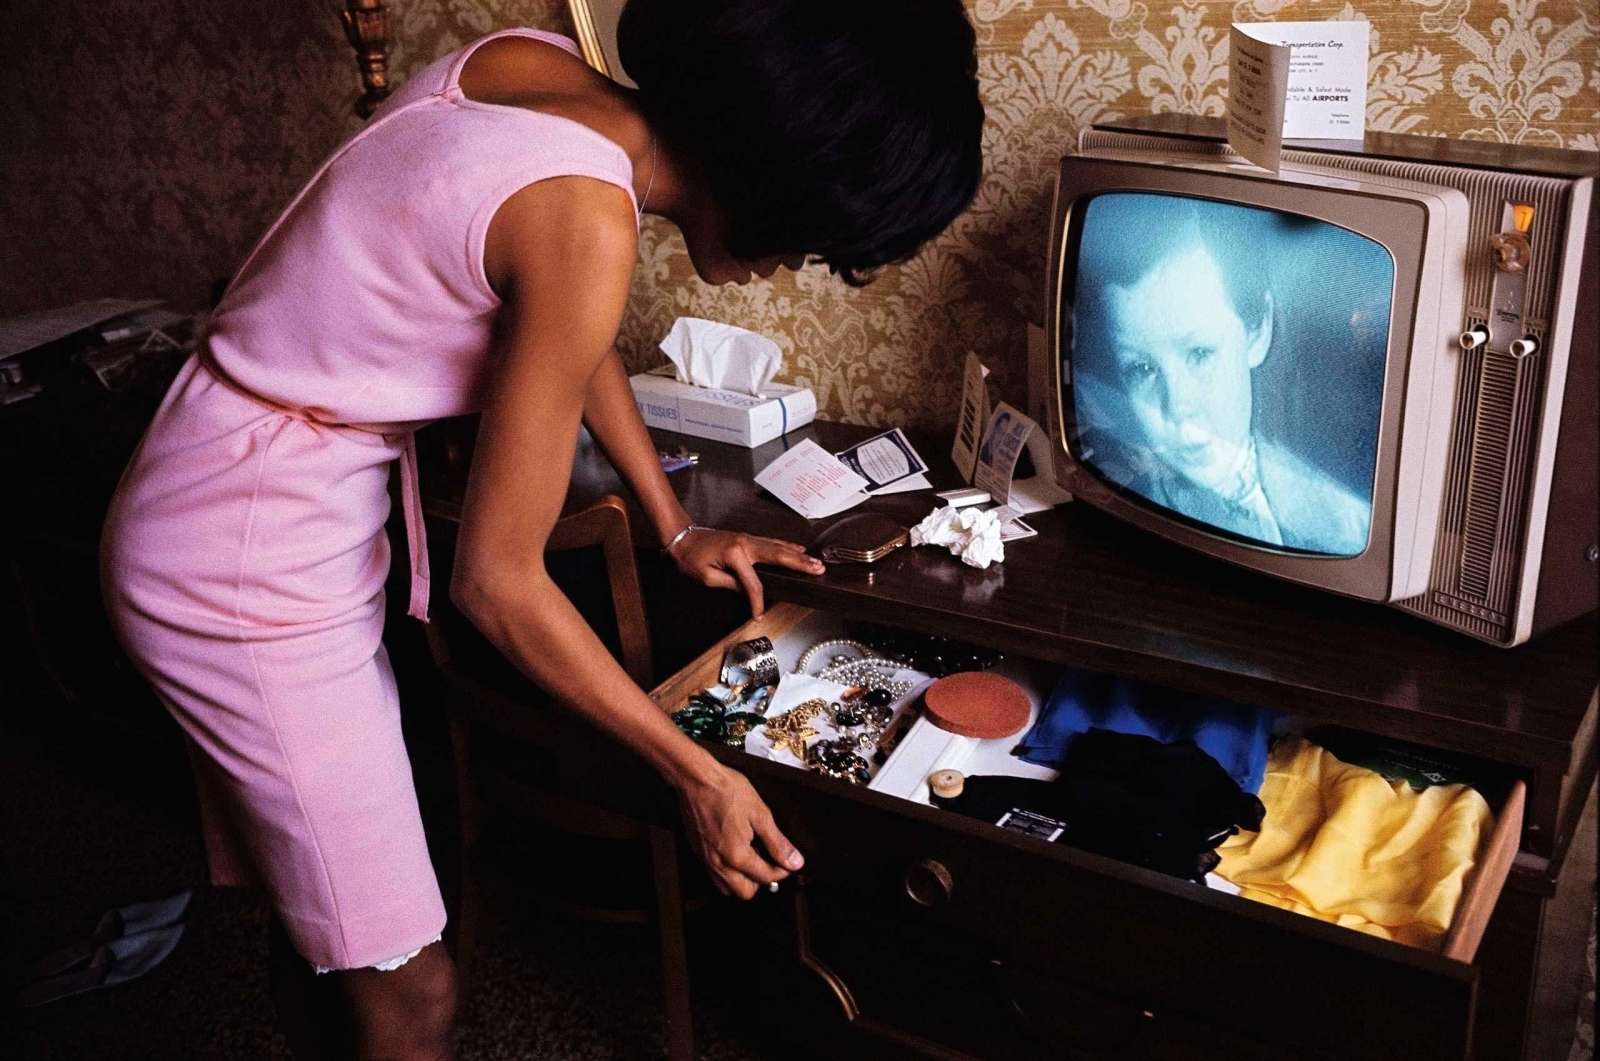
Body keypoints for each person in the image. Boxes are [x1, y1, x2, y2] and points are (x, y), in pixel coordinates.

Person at [98, 2, 983, 1057]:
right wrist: (693, 771)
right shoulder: (586, 219)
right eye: (813, 239)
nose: (791, 265)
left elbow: (564, 327)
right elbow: (497, 581)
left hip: (211, 473)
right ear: (773, 170)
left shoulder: (531, 72)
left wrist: (672, 525)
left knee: (329, 924)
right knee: (410, 987)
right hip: (248, 555)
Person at [1070, 196, 1371, 556]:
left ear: (1257, 331)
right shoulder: (1118, 520)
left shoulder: (1349, 520)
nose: (1179, 407)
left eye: (1199, 354)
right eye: (1143, 369)